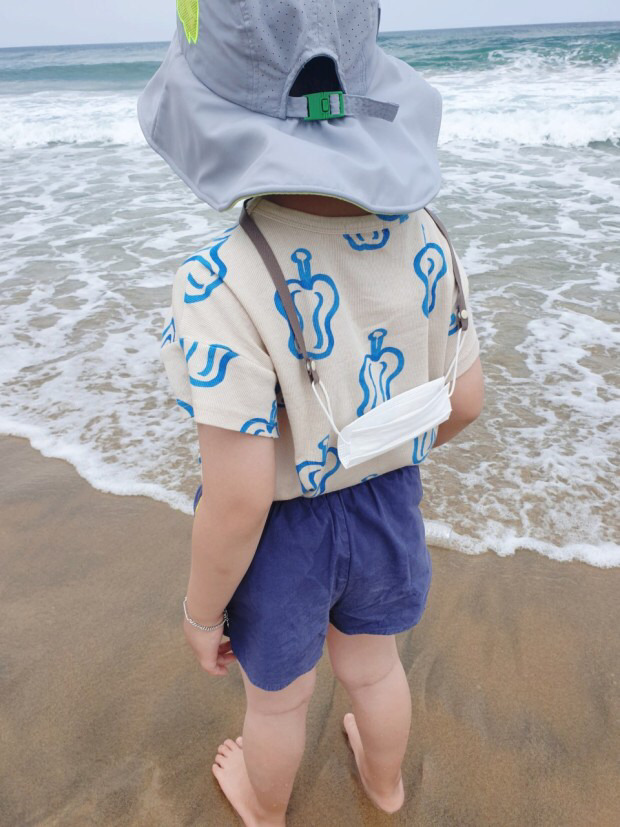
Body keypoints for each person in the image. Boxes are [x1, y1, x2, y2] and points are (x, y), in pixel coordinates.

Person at [139, 2, 484, 824]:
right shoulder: (429, 236)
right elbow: (465, 401)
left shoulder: (220, 280)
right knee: (374, 668)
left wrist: (200, 613)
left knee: (279, 701)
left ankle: (264, 805)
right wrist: (374, 457)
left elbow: (239, 498)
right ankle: (386, 785)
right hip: (387, 506)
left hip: (283, 536)